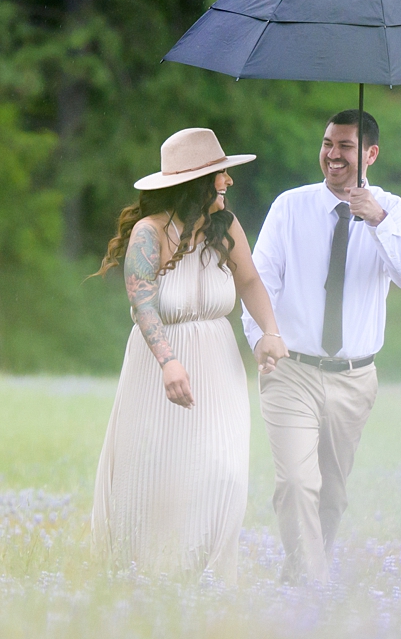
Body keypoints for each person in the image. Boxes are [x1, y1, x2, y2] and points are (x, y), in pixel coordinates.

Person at [90, 127, 288, 581]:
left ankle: (207, 576)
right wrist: (168, 361)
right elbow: (141, 301)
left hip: (218, 366)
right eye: (221, 175)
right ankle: (146, 577)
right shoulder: (149, 233)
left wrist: (270, 332)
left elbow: (251, 282)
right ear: (197, 182)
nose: (229, 182)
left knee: (224, 472)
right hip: (159, 367)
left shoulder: (226, 226)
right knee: (155, 475)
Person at [242, 109, 401, 582]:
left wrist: (377, 220)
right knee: (297, 483)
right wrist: (262, 335)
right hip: (292, 370)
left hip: (354, 378)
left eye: (345, 146)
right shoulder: (290, 207)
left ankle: (298, 579)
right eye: (327, 143)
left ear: (371, 154)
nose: (332, 155)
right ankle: (315, 589)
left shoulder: (393, 210)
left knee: (332, 496)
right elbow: (258, 282)